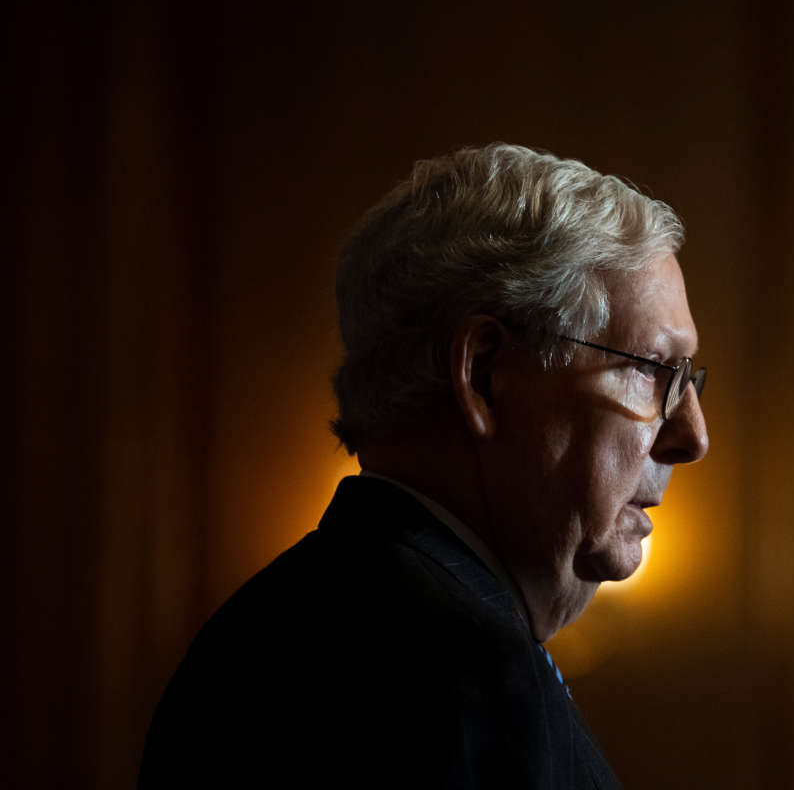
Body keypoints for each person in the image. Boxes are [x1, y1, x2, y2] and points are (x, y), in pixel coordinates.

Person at [139, 143, 709, 787]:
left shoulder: (268, 630)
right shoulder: (457, 674)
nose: (692, 437)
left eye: (691, 382)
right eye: (652, 371)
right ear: (486, 375)